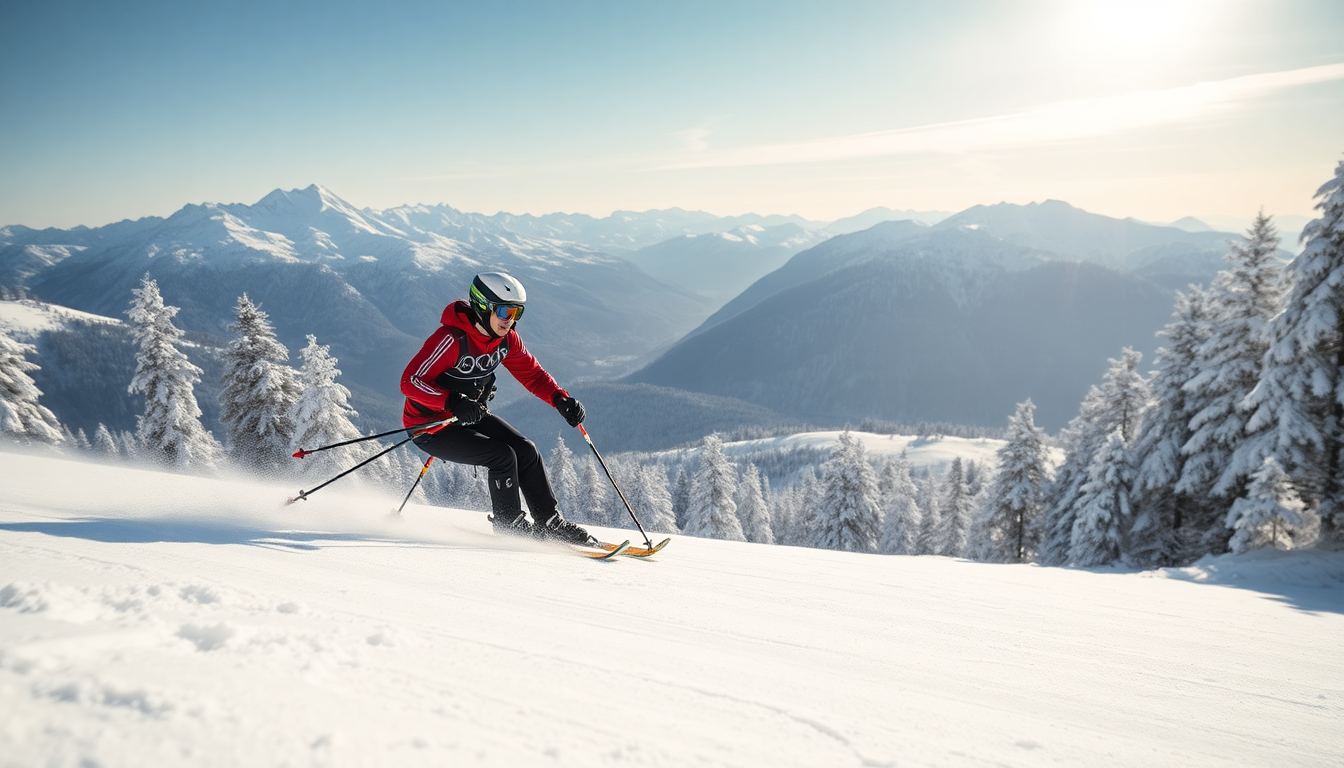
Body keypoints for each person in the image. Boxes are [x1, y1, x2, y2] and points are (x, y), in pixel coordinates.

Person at [400, 272, 592, 544]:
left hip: (467, 415)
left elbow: (534, 376)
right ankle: (508, 523)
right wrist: (452, 401)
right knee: (502, 455)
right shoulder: (451, 340)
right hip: (429, 427)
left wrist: (560, 400)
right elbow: (410, 381)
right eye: (503, 310)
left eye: (516, 312)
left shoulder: (506, 340)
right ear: (482, 306)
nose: (509, 319)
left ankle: (550, 522)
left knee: (525, 450)